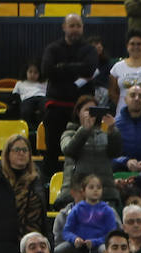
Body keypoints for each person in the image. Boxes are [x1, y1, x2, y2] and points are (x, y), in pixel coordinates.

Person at [41, 14, 100, 172]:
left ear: (82, 28)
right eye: (71, 25)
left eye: (78, 26)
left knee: (86, 149)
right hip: (56, 107)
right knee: (51, 150)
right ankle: (50, 180)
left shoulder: (89, 49)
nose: (75, 29)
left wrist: (62, 67)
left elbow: (90, 69)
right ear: (64, 27)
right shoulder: (52, 48)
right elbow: (48, 71)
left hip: (83, 108)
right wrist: (77, 69)